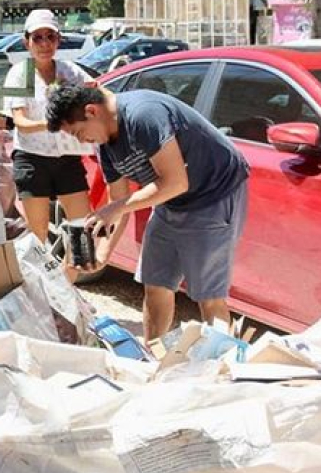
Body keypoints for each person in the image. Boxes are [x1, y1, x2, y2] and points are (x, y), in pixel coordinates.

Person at [45, 83, 250, 341]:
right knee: (155, 282)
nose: (81, 141)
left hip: (213, 194)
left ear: (91, 111)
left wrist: (114, 209)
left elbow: (176, 181)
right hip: (169, 200)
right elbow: (118, 199)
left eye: (78, 132)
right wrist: (103, 254)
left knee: (207, 295)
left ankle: (222, 363)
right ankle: (154, 355)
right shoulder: (106, 145)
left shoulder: (144, 115)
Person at [5, 10, 94, 259]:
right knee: (38, 236)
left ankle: (68, 291)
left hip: (67, 157)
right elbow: (21, 122)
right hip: (32, 157)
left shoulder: (71, 72)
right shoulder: (20, 73)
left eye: (50, 37)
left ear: (58, 40)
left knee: (81, 234)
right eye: (37, 38)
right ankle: (38, 292)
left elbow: (97, 94)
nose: (44, 44)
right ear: (27, 42)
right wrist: (55, 122)